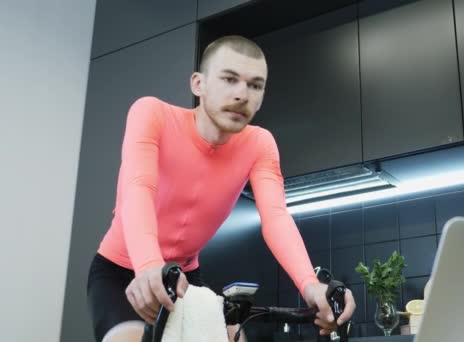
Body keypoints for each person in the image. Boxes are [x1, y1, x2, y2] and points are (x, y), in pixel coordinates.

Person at [86, 35, 356, 342]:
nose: (242, 94)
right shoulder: (152, 114)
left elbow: (276, 217)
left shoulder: (259, 143)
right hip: (123, 270)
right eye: (229, 79)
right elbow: (138, 190)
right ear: (198, 84)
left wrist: (310, 286)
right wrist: (148, 267)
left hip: (185, 278)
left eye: (255, 85)